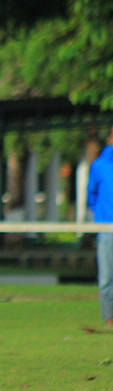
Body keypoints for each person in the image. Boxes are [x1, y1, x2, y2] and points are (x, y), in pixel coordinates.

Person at [87, 125, 113, 327]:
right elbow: (91, 196)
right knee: (106, 277)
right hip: (107, 228)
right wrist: (101, 215)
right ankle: (109, 317)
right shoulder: (100, 165)